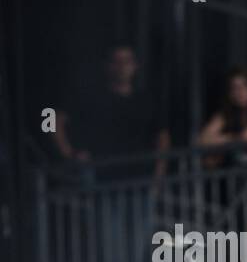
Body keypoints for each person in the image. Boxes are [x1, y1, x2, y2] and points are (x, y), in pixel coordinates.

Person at [52, 43, 170, 180]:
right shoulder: (91, 97)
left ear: (135, 66)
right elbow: (50, 115)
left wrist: (159, 175)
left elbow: (163, 138)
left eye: (127, 61)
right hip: (99, 182)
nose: (122, 67)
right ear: (107, 66)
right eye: (116, 62)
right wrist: (67, 152)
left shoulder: (146, 101)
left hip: (140, 181)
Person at [197, 66, 247, 169]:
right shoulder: (225, 114)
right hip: (235, 173)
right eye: (234, 88)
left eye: (245, 85)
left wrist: (223, 140)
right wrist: (234, 138)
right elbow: (202, 140)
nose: (240, 92)